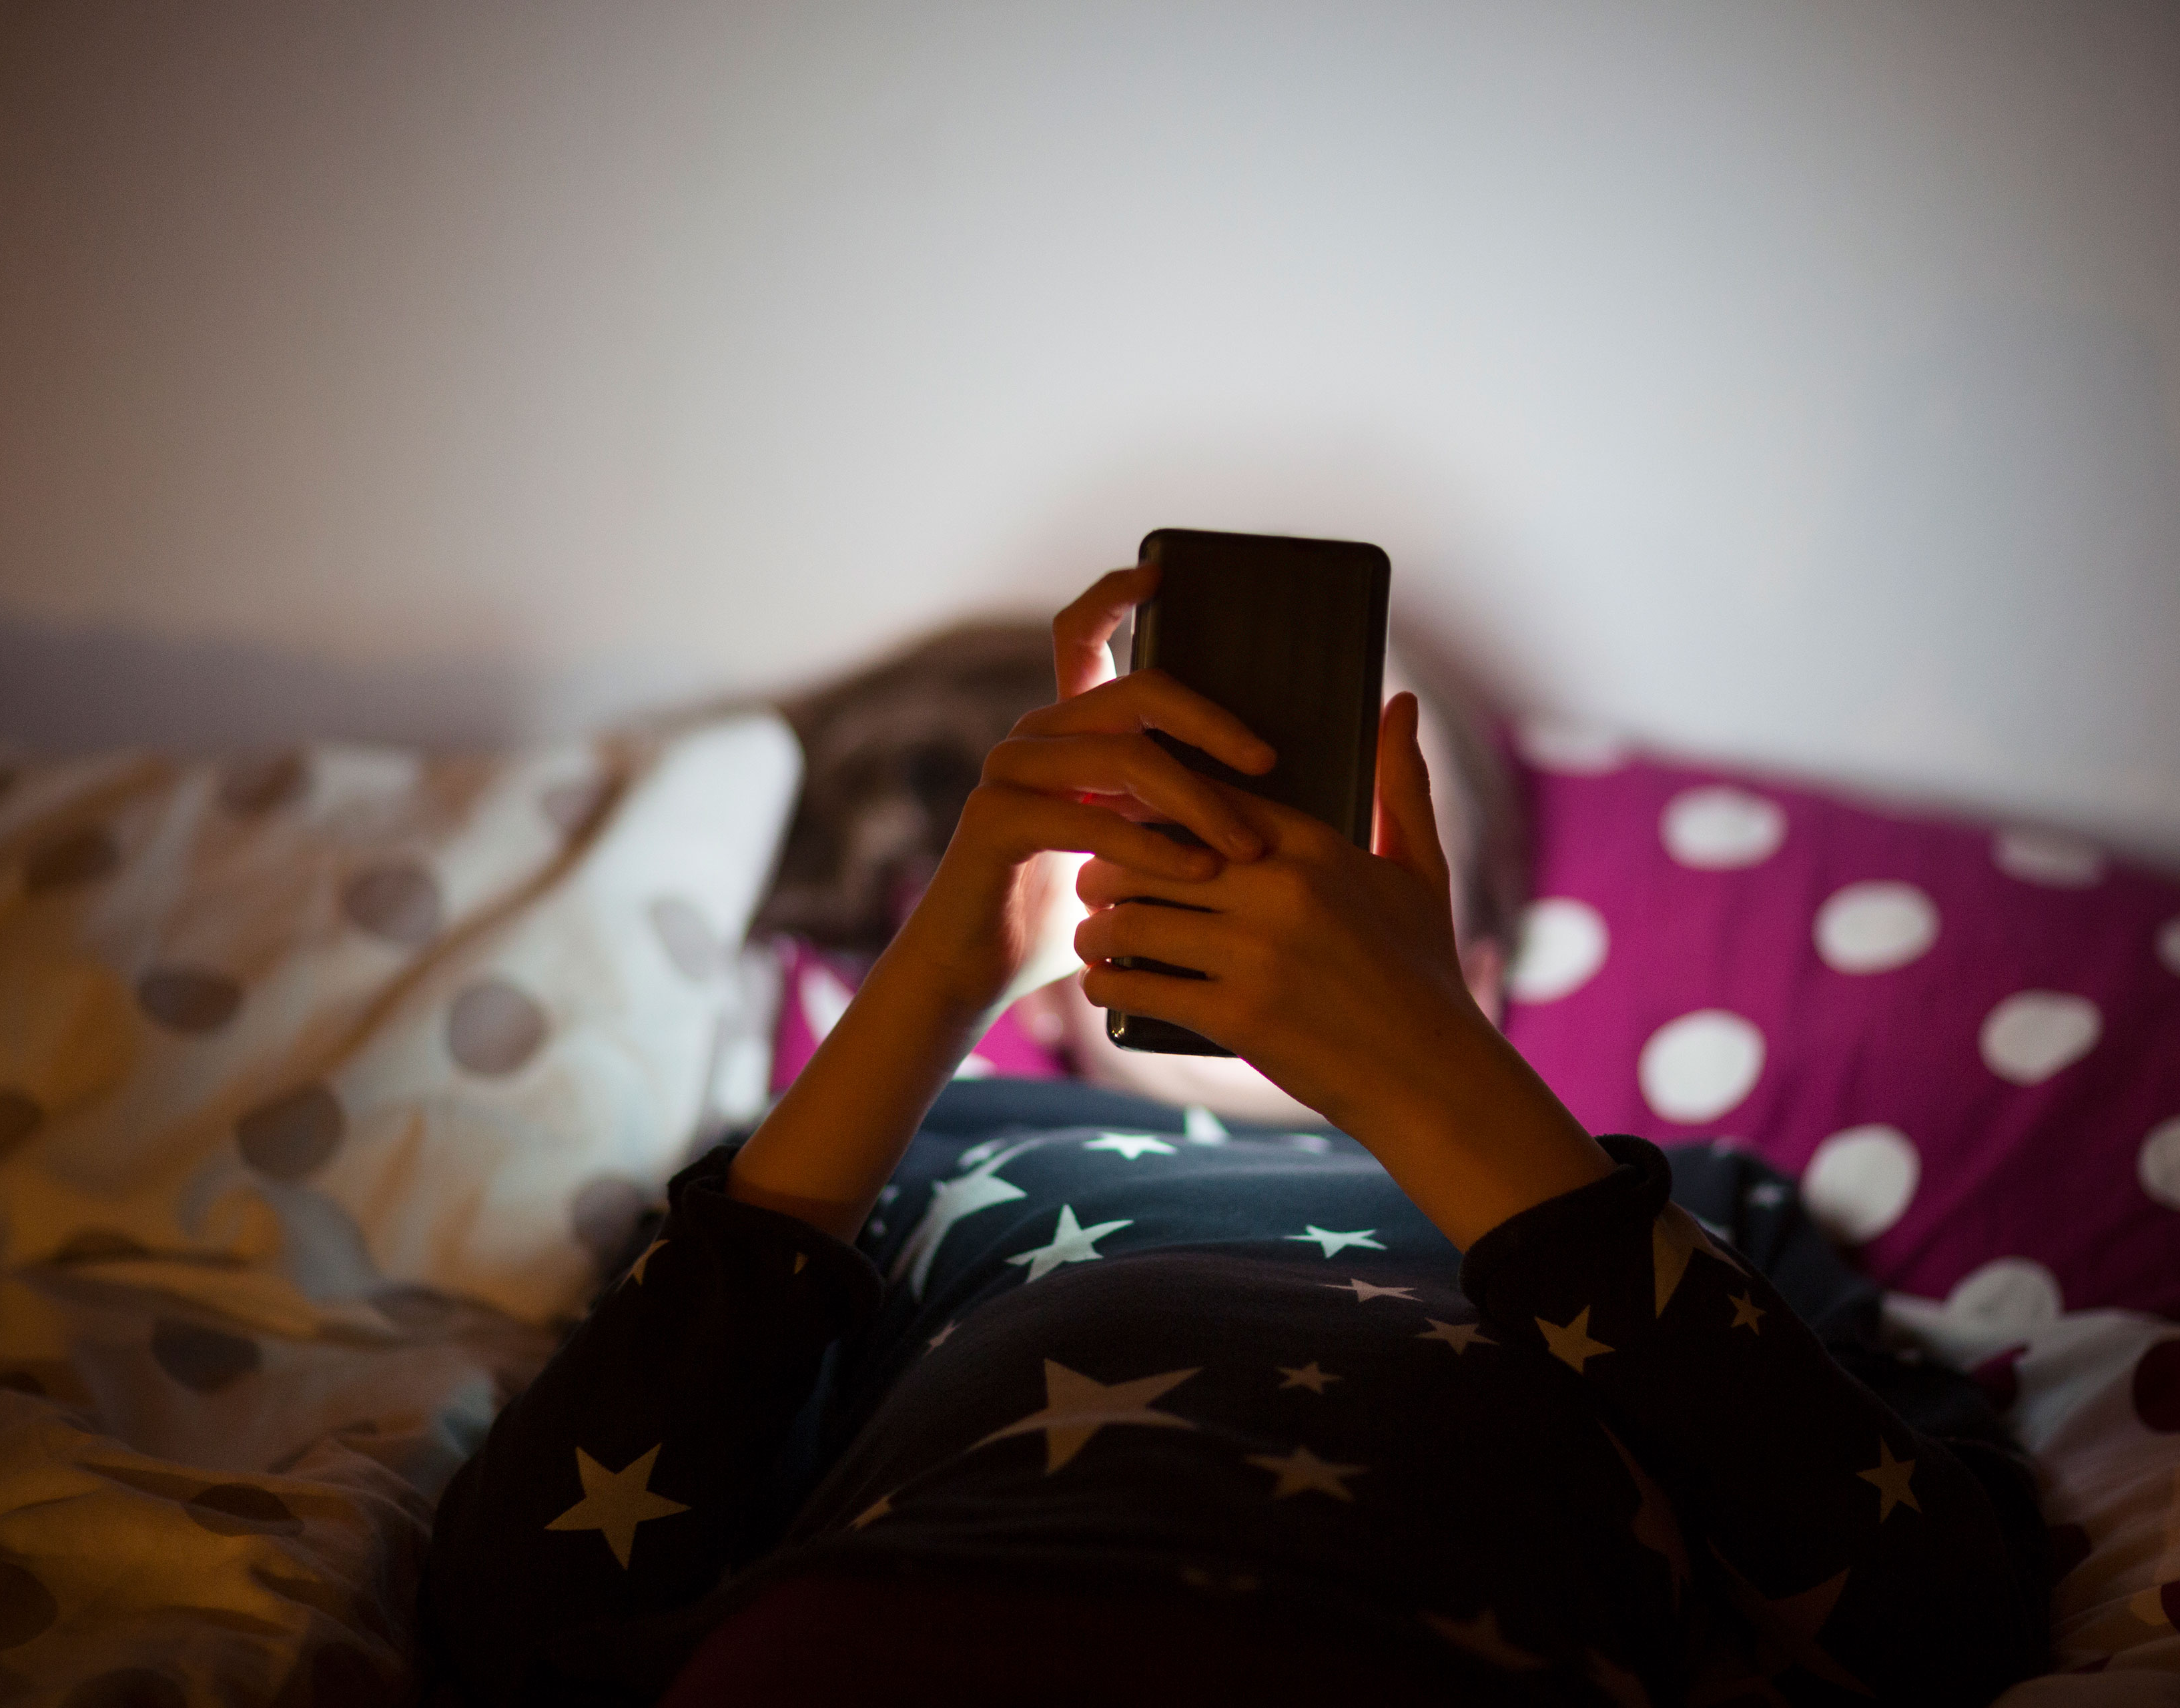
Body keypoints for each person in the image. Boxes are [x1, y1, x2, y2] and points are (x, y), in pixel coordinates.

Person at [421, 568, 2052, 1706]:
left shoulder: (1674, 1208)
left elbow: (1935, 1625)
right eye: (1162, 832)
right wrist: (936, 979)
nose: (1253, 862)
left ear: (1475, 975)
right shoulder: (902, 1144)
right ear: (1051, 974)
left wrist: (1438, 1084)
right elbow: (521, 1614)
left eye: (1345, 849)